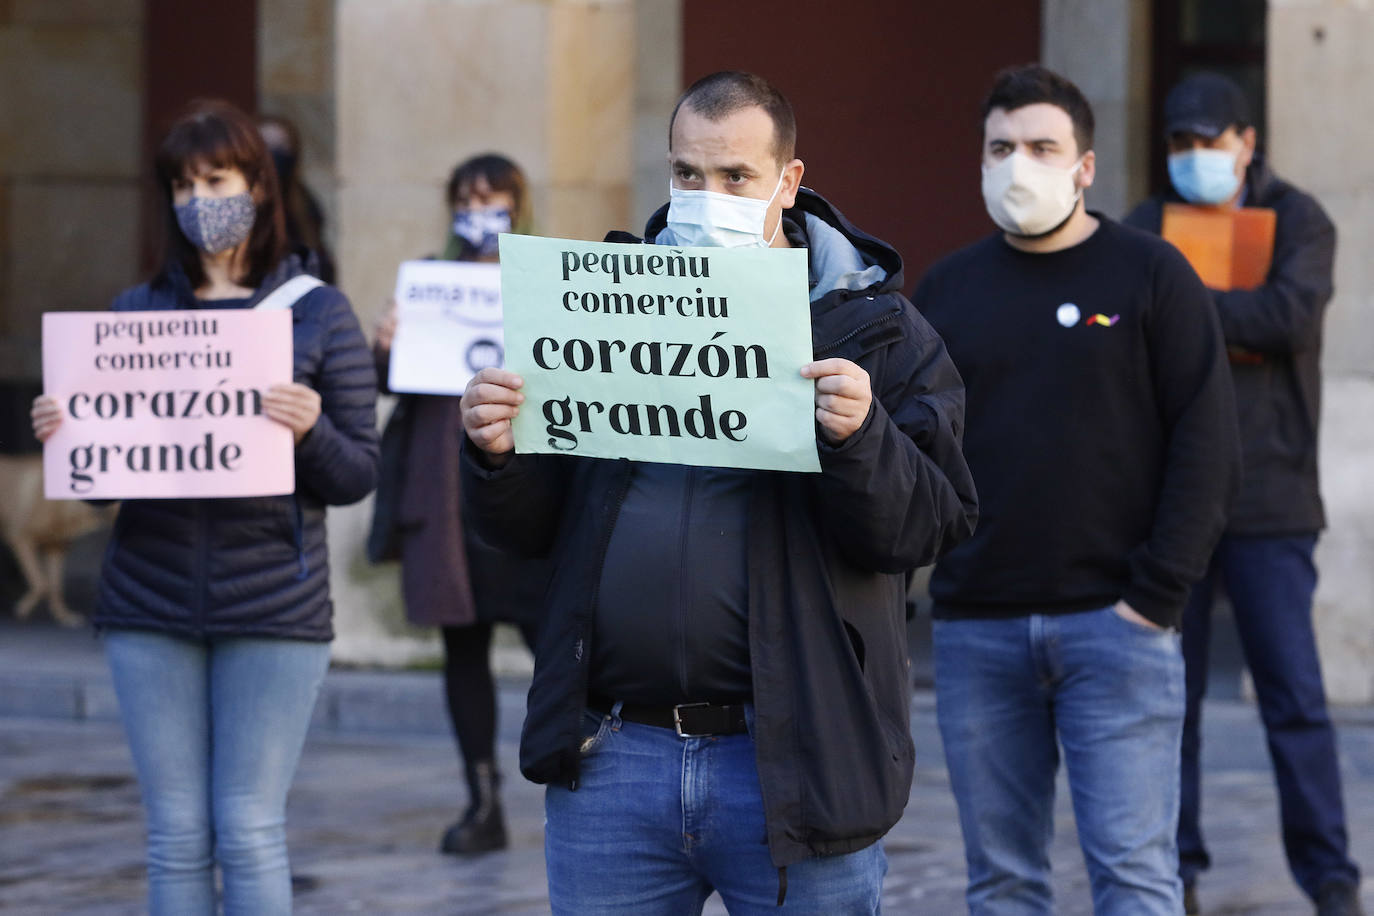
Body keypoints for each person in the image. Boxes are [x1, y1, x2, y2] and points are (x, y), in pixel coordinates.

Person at [459, 70, 978, 913]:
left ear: (788, 180)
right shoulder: (599, 310)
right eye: (687, 175)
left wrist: (862, 438)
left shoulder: (878, 330)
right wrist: (493, 454)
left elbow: (931, 524)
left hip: (795, 757)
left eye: (735, 177)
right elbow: (526, 528)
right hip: (616, 754)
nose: (708, 197)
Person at [31, 100, 379, 915]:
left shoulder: (319, 312)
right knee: (175, 833)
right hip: (147, 600)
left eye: (216, 179)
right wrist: (67, 434)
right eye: (183, 184)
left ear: (258, 185)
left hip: (273, 603)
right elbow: (102, 482)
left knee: (250, 827)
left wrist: (309, 430)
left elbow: (358, 472)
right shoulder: (134, 314)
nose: (199, 199)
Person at [914, 65, 1240, 915]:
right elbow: (913, 453)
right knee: (1004, 882)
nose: (1018, 164)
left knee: (1134, 878)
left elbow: (1206, 442)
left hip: (1117, 629)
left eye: (1041, 147)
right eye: (1001, 147)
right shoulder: (947, 290)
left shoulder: (1150, 275)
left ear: (1085, 166)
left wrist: (1156, 597)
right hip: (978, 631)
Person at [1124, 72, 1363, 916]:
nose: (1196, 157)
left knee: (1295, 698)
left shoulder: (1301, 219)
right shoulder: (1149, 225)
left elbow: (1288, 317)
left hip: (1271, 499)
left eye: (1210, 142)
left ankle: (1331, 878)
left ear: (1247, 143)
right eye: (1181, 143)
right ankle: (1176, 872)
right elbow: (1124, 331)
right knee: (1169, 704)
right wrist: (1223, 309)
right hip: (1172, 498)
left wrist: (1183, 307)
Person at [368, 153, 545, 855]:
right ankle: (482, 800)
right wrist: (388, 346)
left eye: (493, 192)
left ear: (517, 202)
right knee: (461, 648)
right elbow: (391, 380)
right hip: (442, 496)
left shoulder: (544, 277)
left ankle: (580, 772)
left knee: (553, 637)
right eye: (465, 194)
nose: (479, 205)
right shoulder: (426, 281)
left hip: (525, 487)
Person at [258, 114, 336, 283]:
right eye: (267, 146)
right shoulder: (247, 205)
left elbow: (317, 252)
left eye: (281, 146)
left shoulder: (304, 200)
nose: (274, 154)